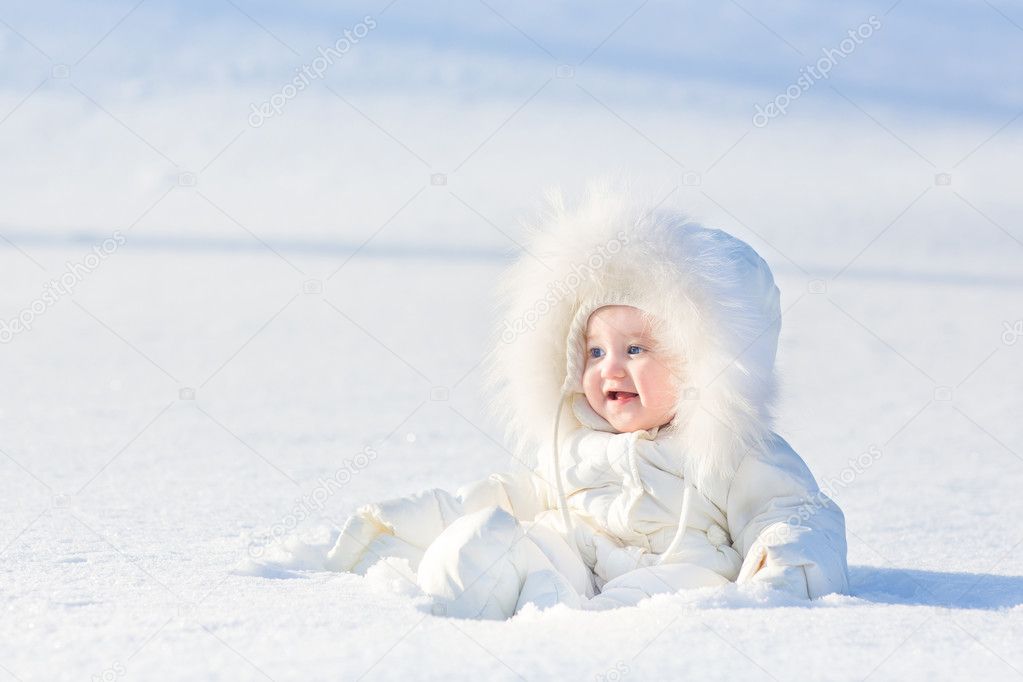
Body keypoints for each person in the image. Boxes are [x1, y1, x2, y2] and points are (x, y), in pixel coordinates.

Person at [325, 182, 850, 619]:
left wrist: (781, 571)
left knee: (638, 602)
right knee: (490, 537)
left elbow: (794, 514)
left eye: (637, 348)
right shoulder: (572, 443)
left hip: (680, 583)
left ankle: (576, 650)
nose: (609, 368)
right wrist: (407, 525)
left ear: (704, 363)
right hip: (572, 573)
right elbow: (508, 498)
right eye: (595, 350)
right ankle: (450, 638)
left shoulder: (733, 451)